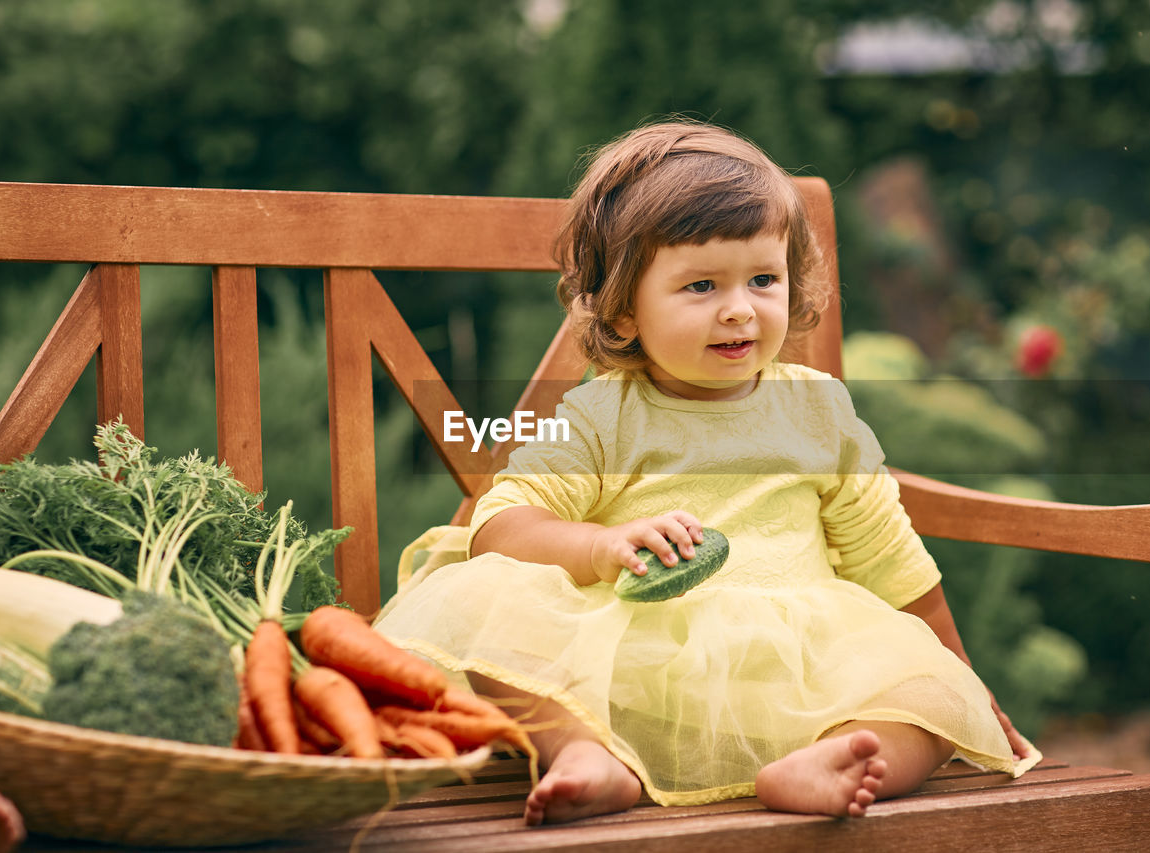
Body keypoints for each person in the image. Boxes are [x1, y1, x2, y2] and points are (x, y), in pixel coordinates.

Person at [374, 119, 1039, 826]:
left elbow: (894, 564)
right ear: (625, 309)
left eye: (762, 279)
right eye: (700, 285)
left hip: (804, 677)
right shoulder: (603, 416)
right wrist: (600, 547)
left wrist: (962, 683)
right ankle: (589, 753)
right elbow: (501, 526)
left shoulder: (820, 413)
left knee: (929, 695)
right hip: (639, 675)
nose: (739, 309)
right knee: (483, 600)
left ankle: (824, 761)